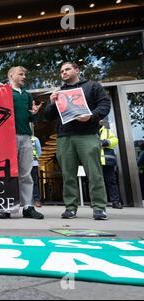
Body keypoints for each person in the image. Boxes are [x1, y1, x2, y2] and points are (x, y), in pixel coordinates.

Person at [44, 62, 111, 220]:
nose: (64, 73)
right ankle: (71, 207)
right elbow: (47, 116)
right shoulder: (59, 92)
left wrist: (91, 116)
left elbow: (105, 104)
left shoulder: (92, 86)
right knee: (68, 174)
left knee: (94, 173)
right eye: (61, 71)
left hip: (87, 134)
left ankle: (99, 208)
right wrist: (52, 103)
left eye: (67, 69)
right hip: (64, 137)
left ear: (77, 70)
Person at [0, 66, 44, 219]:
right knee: (8, 173)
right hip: (7, 137)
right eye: (21, 74)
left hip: (25, 137)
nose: (24, 76)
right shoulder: (3, 91)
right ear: (11, 75)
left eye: (25, 74)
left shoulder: (28, 96)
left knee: (26, 173)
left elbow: (31, 119)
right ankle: (7, 207)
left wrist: (35, 114)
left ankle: (28, 207)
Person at [99, 119, 122, 209]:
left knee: (111, 182)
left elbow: (115, 140)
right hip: (96, 161)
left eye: (101, 119)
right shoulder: (90, 132)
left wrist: (106, 142)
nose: (100, 121)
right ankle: (99, 202)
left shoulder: (107, 131)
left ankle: (115, 202)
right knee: (97, 182)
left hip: (108, 161)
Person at [31, 134, 42, 207]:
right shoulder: (35, 139)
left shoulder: (35, 139)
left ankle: (36, 200)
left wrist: (35, 158)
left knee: (34, 182)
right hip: (32, 163)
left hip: (32, 164)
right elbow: (39, 152)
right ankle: (36, 200)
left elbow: (39, 151)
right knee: (34, 182)